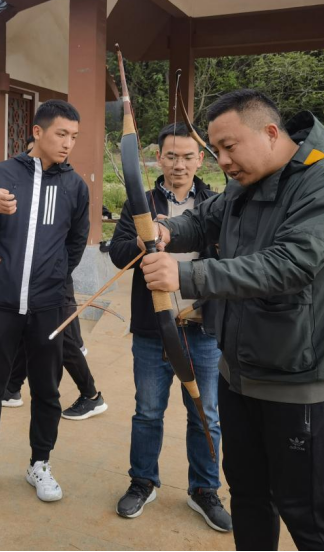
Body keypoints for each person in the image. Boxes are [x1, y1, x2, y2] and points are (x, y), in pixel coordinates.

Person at [142, 90, 324, 551]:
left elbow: (290, 264)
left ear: (269, 132)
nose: (222, 161)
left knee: (310, 518)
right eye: (215, 150)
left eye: (229, 147)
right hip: (238, 375)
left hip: (299, 383)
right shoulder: (246, 180)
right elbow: (204, 220)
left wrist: (187, 276)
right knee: (248, 499)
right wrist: (167, 229)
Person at [0, 100, 89, 503]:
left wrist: (53, 277)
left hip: (48, 306)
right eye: (61, 134)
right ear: (37, 132)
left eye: (73, 136)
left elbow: (76, 242)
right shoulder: (2, 174)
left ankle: (40, 464)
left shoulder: (74, 186)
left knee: (47, 390)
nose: (68, 143)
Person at [109, 122, 231, 532]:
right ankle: (142, 481)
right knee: (147, 412)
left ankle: (205, 489)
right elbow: (118, 252)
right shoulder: (140, 202)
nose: (179, 165)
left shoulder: (215, 203)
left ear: (201, 160)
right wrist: (141, 241)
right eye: (171, 156)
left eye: (188, 156)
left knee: (206, 413)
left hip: (202, 328)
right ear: (157, 158)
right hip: (153, 327)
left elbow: (229, 261)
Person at [3, 275, 108, 421]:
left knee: (62, 341)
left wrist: (57, 273)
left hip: (54, 287)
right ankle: (12, 388)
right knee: (29, 332)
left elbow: (71, 259)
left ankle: (91, 396)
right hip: (37, 285)